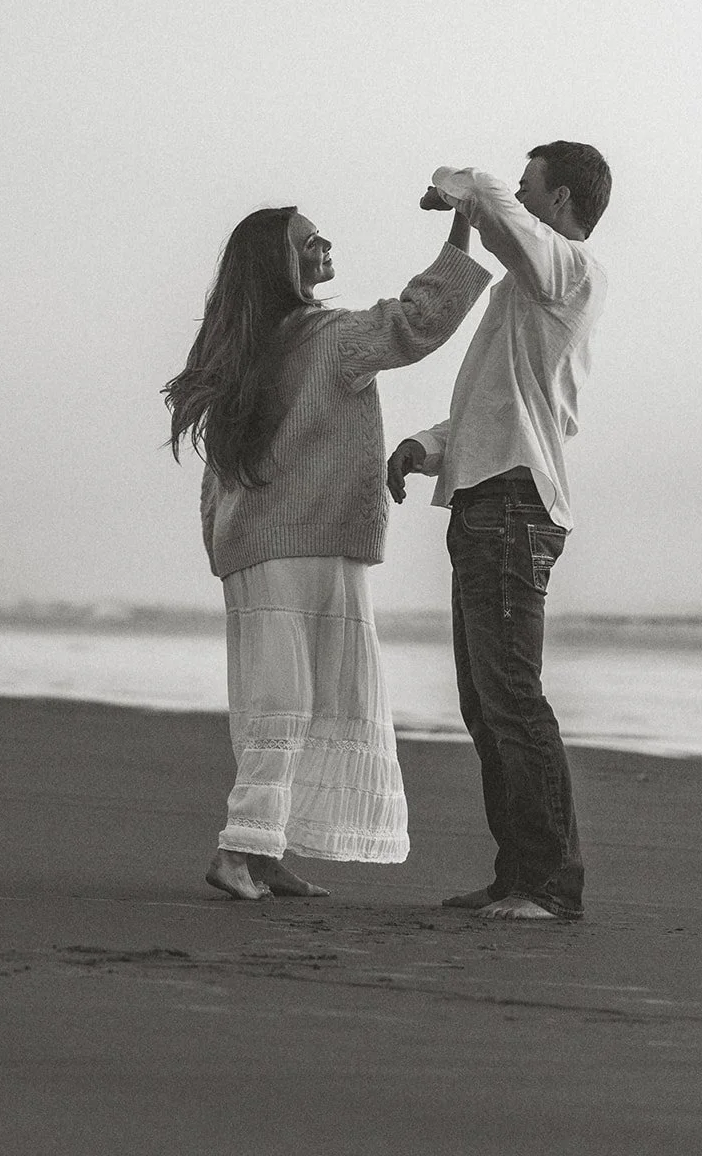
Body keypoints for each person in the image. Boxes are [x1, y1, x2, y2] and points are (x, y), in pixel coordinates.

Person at [164, 201, 491, 900]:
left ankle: (265, 850)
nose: (324, 246)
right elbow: (417, 322)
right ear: (281, 263)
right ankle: (238, 849)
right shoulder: (327, 338)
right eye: (309, 242)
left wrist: (221, 546)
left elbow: (215, 476)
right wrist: (461, 226)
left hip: (265, 545)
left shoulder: (247, 345)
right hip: (301, 542)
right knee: (288, 700)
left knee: (289, 699)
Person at [387, 143, 612, 922]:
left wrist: (462, 192)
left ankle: (548, 884)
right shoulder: (525, 289)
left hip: (515, 503)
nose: (511, 199)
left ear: (557, 204)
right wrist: (427, 446)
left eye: (528, 189)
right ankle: (519, 874)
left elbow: (488, 197)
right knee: (486, 703)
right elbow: (493, 407)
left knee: (511, 696)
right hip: (488, 498)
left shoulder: (569, 269)